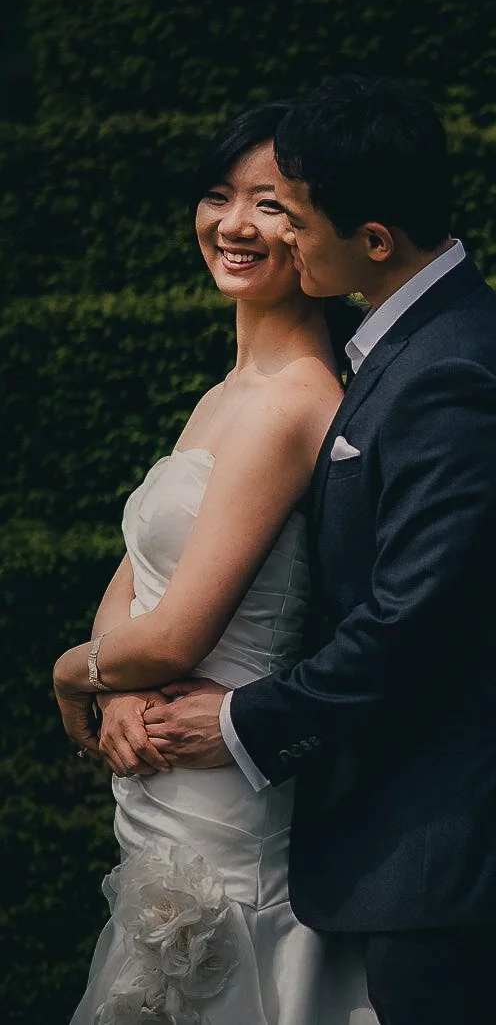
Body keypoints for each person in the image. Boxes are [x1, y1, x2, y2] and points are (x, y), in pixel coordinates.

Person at [133, 75, 496, 1023]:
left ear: (374, 241)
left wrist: (240, 722)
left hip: (453, 854)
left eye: (293, 216)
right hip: (397, 843)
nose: (276, 235)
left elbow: (413, 621)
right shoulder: (395, 344)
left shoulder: (453, 369)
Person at [53, 100, 377, 1023]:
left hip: (221, 793)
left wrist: (69, 674)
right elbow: (140, 580)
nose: (233, 224)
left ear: (318, 231)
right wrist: (113, 686)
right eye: (217, 195)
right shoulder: (224, 394)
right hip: (162, 781)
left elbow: (178, 635)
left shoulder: (291, 402)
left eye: (271, 204)